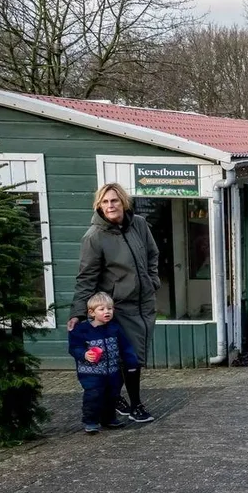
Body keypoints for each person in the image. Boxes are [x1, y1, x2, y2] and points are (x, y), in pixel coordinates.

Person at [69, 183, 158, 424]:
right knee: (129, 357)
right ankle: (135, 404)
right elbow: (86, 277)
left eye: (114, 201)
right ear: (99, 205)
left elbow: (152, 254)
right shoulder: (94, 237)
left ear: (123, 203)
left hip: (144, 303)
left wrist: (153, 280)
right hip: (117, 307)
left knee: (134, 354)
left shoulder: (138, 224)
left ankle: (116, 398)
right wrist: (78, 312)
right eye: (105, 202)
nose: (110, 205)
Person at [69, 292, 140, 434]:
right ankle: (90, 421)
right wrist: (84, 354)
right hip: (91, 374)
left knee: (112, 395)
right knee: (93, 396)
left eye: (110, 308)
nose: (107, 312)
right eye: (102, 309)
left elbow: (125, 347)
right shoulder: (82, 330)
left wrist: (132, 362)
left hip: (113, 371)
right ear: (92, 312)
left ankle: (109, 419)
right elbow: (74, 347)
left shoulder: (115, 328)